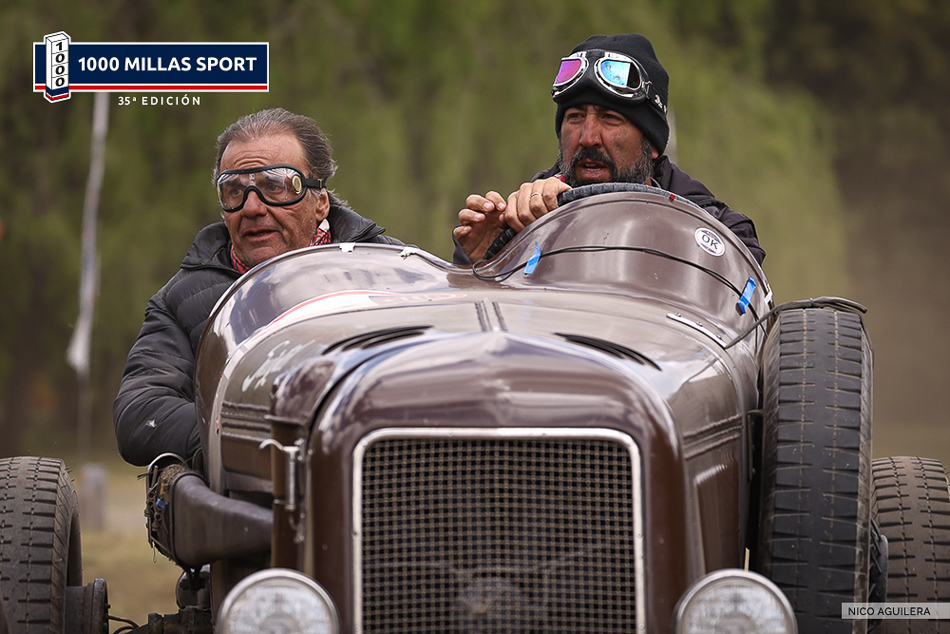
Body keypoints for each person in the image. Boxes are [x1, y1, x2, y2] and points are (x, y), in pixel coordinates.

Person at [114, 108, 402, 467]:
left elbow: (452, 353)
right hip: (251, 491)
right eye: (234, 190)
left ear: (320, 201)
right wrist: (250, 434)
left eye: (275, 185)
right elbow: (139, 413)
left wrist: (469, 269)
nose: (251, 207)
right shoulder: (180, 301)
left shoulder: (393, 269)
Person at [453, 33, 765, 265]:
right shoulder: (523, 214)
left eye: (610, 118)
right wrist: (485, 259)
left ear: (652, 145)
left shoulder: (709, 220)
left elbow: (742, 263)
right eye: (575, 117)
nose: (588, 137)